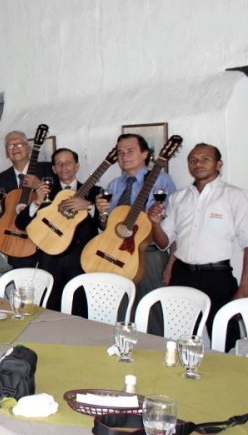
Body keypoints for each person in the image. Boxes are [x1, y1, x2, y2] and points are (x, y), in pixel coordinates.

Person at [148, 143, 248, 350]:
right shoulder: (178, 198)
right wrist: (155, 223)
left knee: (225, 339)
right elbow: (164, 242)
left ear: (218, 163)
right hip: (182, 275)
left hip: (218, 277)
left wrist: (245, 287)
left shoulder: (234, 196)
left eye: (205, 159)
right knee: (178, 337)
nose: (197, 163)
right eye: (192, 160)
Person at [95, 133, 176, 321]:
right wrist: (102, 214)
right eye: (120, 152)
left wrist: (171, 262)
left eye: (130, 151)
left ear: (145, 153)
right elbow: (106, 226)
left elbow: (174, 224)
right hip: (117, 254)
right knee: (120, 309)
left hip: (149, 254)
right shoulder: (114, 185)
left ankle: (156, 349)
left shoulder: (162, 181)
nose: (124, 156)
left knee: (153, 312)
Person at [14, 148, 99, 311]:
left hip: (81, 259)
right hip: (50, 257)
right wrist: (37, 202)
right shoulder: (45, 191)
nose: (64, 167)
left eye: (68, 162)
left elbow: (104, 226)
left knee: (79, 307)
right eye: (59, 164)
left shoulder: (94, 192)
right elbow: (21, 223)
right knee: (49, 306)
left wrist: (89, 206)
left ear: (77, 166)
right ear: (53, 169)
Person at [0, 130, 55, 269]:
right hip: (17, 240)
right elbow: (2, 216)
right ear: (7, 153)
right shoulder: (2, 178)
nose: (15, 148)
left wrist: (38, 185)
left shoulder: (48, 169)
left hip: (45, 238)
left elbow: (58, 201)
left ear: (29, 148)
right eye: (10, 146)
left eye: (19, 144)